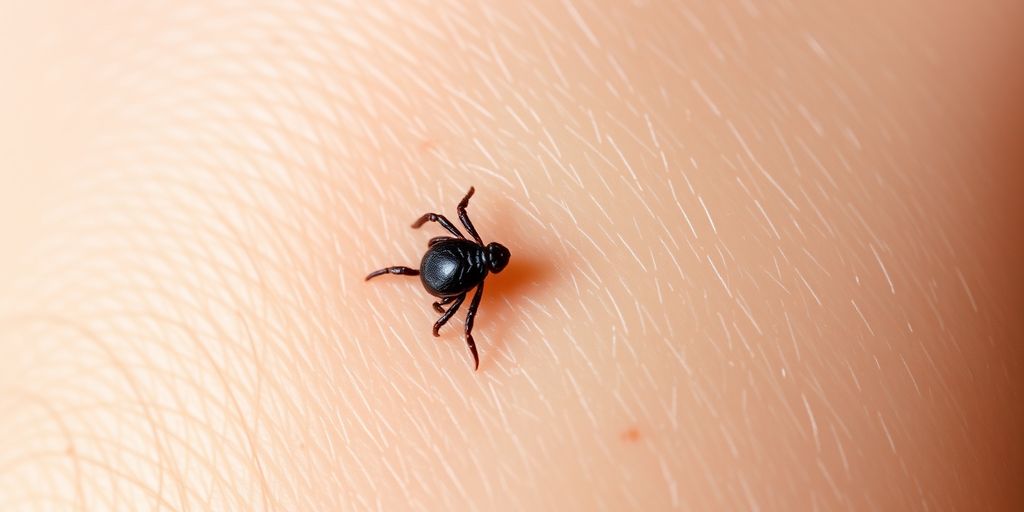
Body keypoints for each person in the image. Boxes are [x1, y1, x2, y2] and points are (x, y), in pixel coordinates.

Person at [0, 1, 1021, 509]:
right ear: (481, 250)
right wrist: (454, 319)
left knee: (414, 278)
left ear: (476, 257)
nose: (480, 255)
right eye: (478, 251)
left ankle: (401, 289)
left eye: (476, 256)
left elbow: (445, 235)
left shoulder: (472, 263)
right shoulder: (477, 264)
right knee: (416, 283)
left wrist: (449, 307)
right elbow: (451, 236)